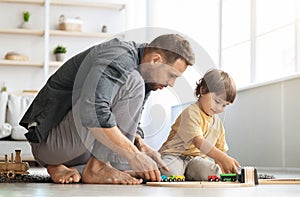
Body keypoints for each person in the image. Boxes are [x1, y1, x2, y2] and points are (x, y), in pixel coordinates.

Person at [19, 34, 195, 184]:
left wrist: (141, 147)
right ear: (156, 60)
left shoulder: (145, 76)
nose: (171, 83)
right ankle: (96, 168)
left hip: (73, 149)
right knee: (132, 81)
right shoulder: (120, 57)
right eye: (172, 76)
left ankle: (67, 168)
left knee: (134, 164)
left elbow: (129, 122)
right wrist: (133, 155)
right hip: (50, 141)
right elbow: (93, 110)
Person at [158, 69, 240, 181]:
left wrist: (223, 168)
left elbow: (220, 153)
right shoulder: (191, 112)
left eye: (224, 105)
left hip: (195, 160)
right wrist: (223, 158)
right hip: (174, 155)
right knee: (169, 172)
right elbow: (198, 142)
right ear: (202, 90)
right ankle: (156, 166)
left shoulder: (217, 124)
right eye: (216, 101)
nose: (219, 108)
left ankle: (186, 174)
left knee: (214, 172)